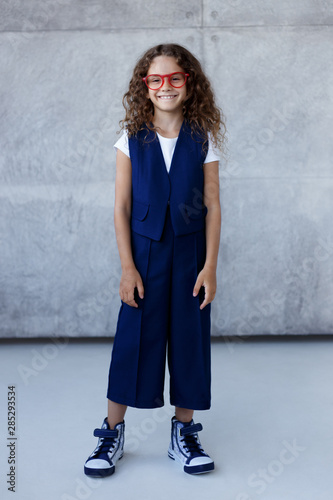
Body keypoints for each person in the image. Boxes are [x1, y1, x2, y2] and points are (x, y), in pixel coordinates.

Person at [84, 43, 227, 478]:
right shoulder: (130, 138)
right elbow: (121, 207)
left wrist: (210, 267)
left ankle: (183, 433)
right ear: (144, 87)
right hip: (144, 255)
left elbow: (214, 204)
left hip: (190, 254)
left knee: (189, 338)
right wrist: (128, 267)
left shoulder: (203, 136)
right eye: (156, 79)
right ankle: (111, 431)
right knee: (134, 339)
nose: (166, 87)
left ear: (189, 83)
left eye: (175, 78)